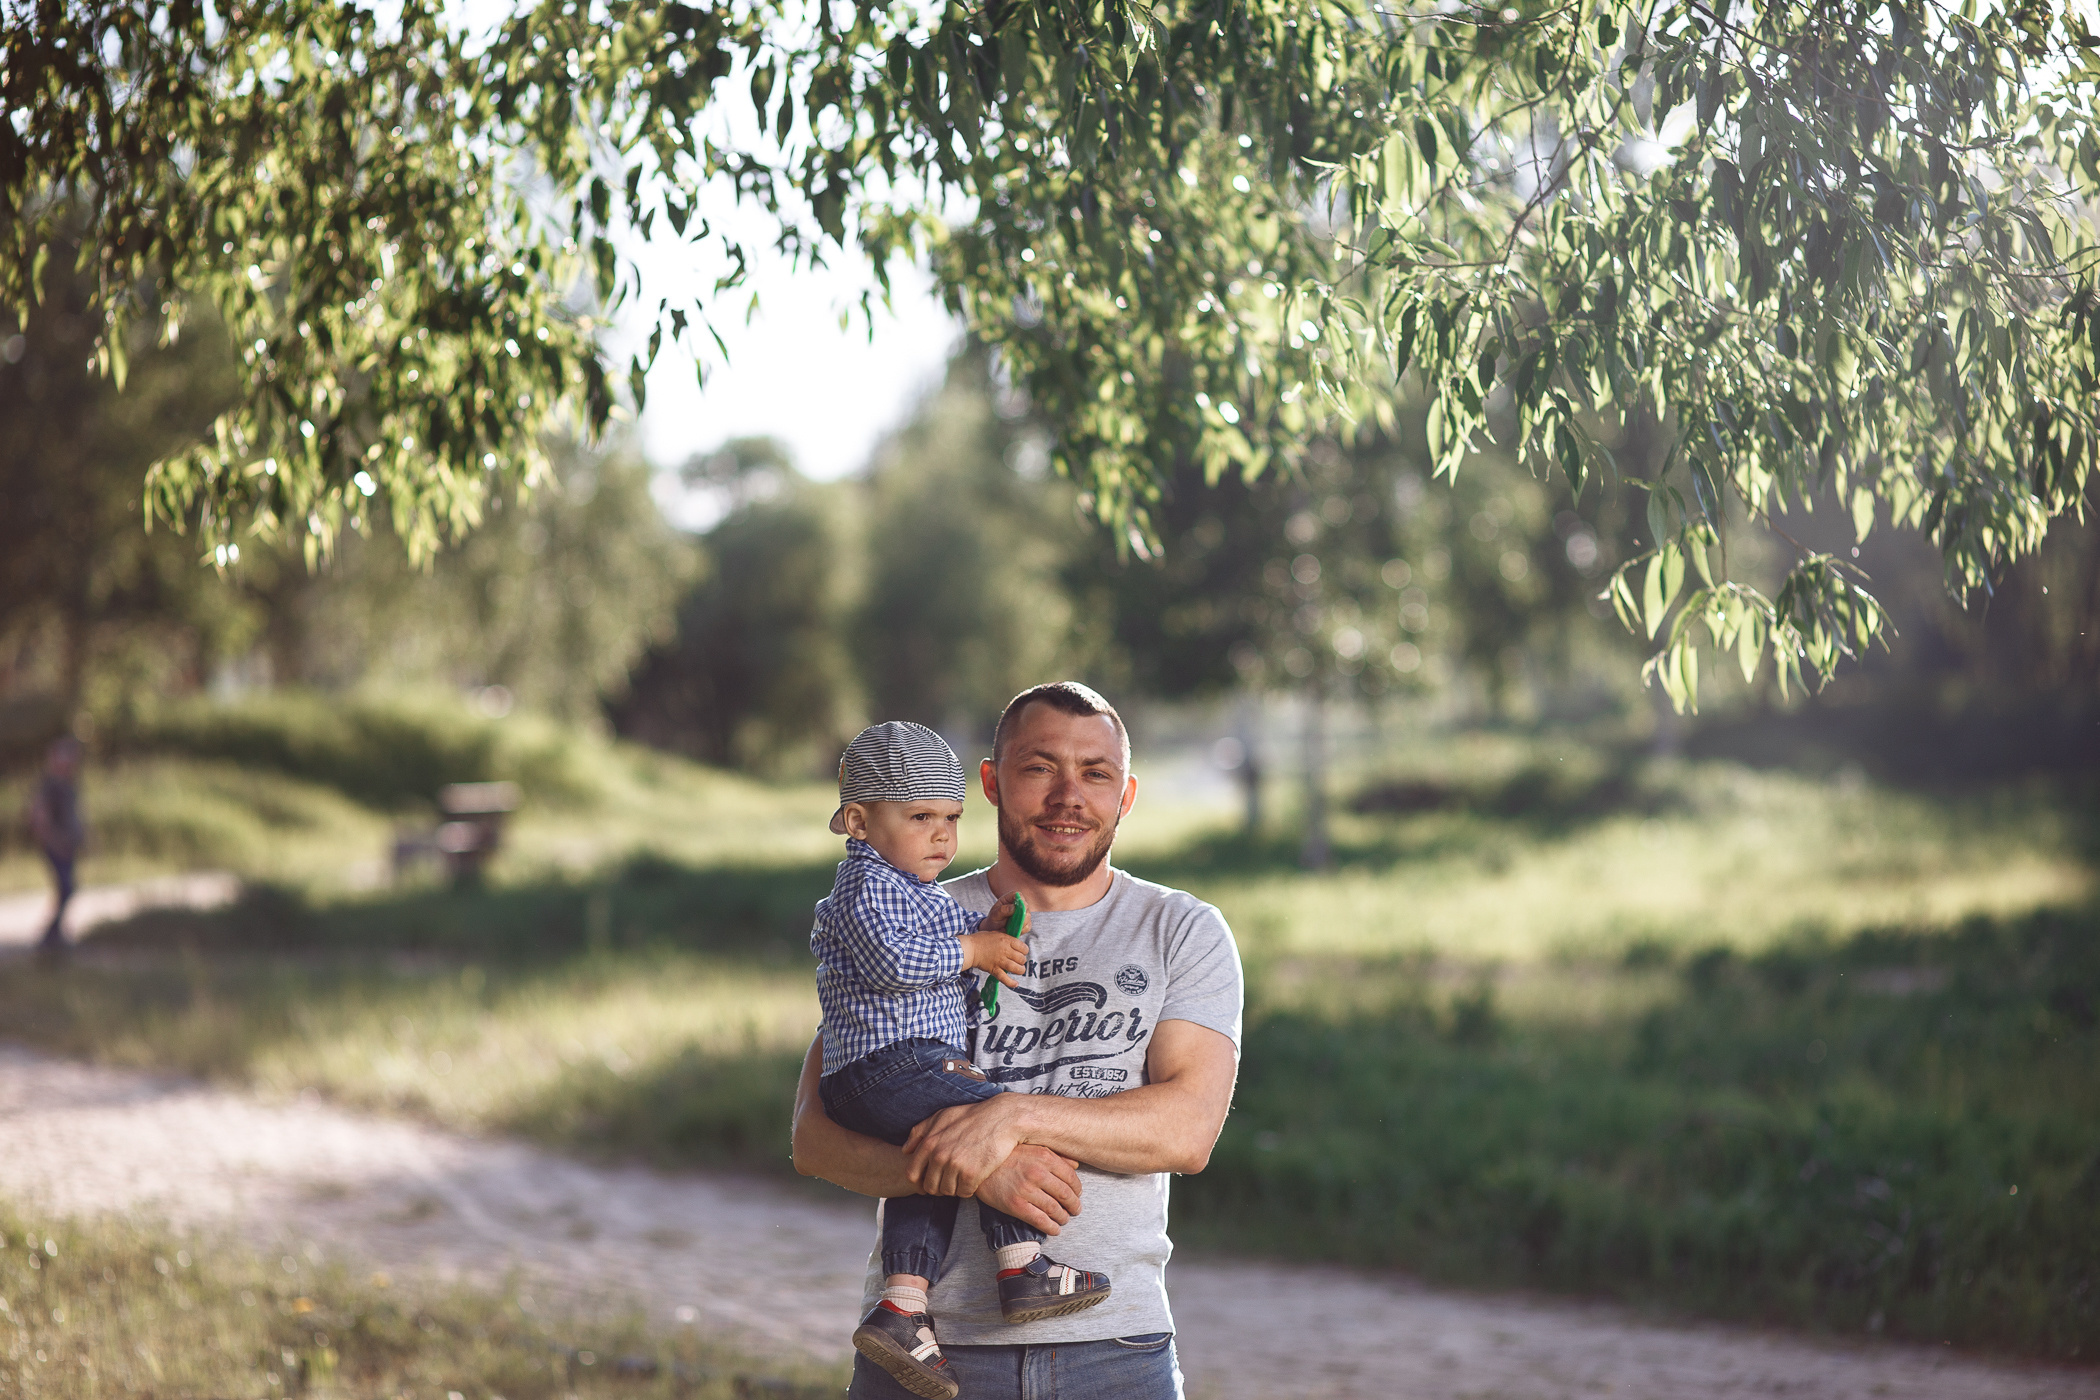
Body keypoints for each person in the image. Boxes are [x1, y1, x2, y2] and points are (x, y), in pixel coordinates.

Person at [794, 684, 1244, 1400]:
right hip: (926, 1358)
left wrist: (1012, 1118)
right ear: (992, 782)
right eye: (1040, 768)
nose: (1069, 796)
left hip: (1115, 1351)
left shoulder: (1180, 930)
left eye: (1094, 774)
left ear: (1125, 796)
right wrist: (980, 1170)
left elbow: (1186, 1132)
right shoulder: (917, 907)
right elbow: (816, 1139)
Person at [813, 720, 1115, 1400]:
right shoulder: (866, 887)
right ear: (858, 822)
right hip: (888, 1064)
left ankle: (902, 1308)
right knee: (999, 1118)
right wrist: (972, 952)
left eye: (950, 817)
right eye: (920, 817)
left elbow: (933, 959)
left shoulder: (913, 891)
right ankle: (1022, 1265)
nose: (942, 835)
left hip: (896, 1064)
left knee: (935, 1169)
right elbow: (894, 962)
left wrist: (980, 936)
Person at [25, 736, 85, 954]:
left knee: (67, 889)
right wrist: (52, 839)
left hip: (68, 845)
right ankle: (50, 935)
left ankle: (56, 933)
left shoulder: (69, 783)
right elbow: (39, 816)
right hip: (56, 845)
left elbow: (75, 816)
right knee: (66, 887)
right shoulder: (49, 784)